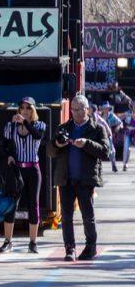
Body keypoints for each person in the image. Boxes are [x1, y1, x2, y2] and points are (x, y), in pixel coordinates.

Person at [48, 95, 109, 261]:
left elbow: (105, 152)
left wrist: (87, 143)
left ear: (87, 109)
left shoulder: (97, 129)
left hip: (85, 179)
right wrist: (57, 144)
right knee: (66, 217)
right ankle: (70, 249)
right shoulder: (64, 128)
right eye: (73, 109)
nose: (75, 113)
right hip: (66, 179)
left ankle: (90, 248)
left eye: (79, 109)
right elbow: (50, 152)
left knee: (88, 217)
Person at [0, 97, 46, 254]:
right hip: (17, 169)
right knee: (11, 204)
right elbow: (4, 146)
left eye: (28, 108)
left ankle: (33, 242)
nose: (25, 111)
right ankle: (8, 241)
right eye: (22, 108)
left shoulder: (40, 125)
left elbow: (38, 136)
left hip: (33, 169)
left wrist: (24, 122)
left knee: (33, 204)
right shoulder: (10, 126)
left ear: (34, 110)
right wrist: (9, 155)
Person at [100, 102, 121, 172]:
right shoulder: (98, 116)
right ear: (102, 109)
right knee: (99, 150)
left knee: (112, 151)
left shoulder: (111, 116)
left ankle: (113, 165)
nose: (106, 109)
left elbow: (120, 122)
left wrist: (118, 127)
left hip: (108, 135)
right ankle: (99, 167)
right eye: (105, 108)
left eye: (107, 108)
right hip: (99, 136)